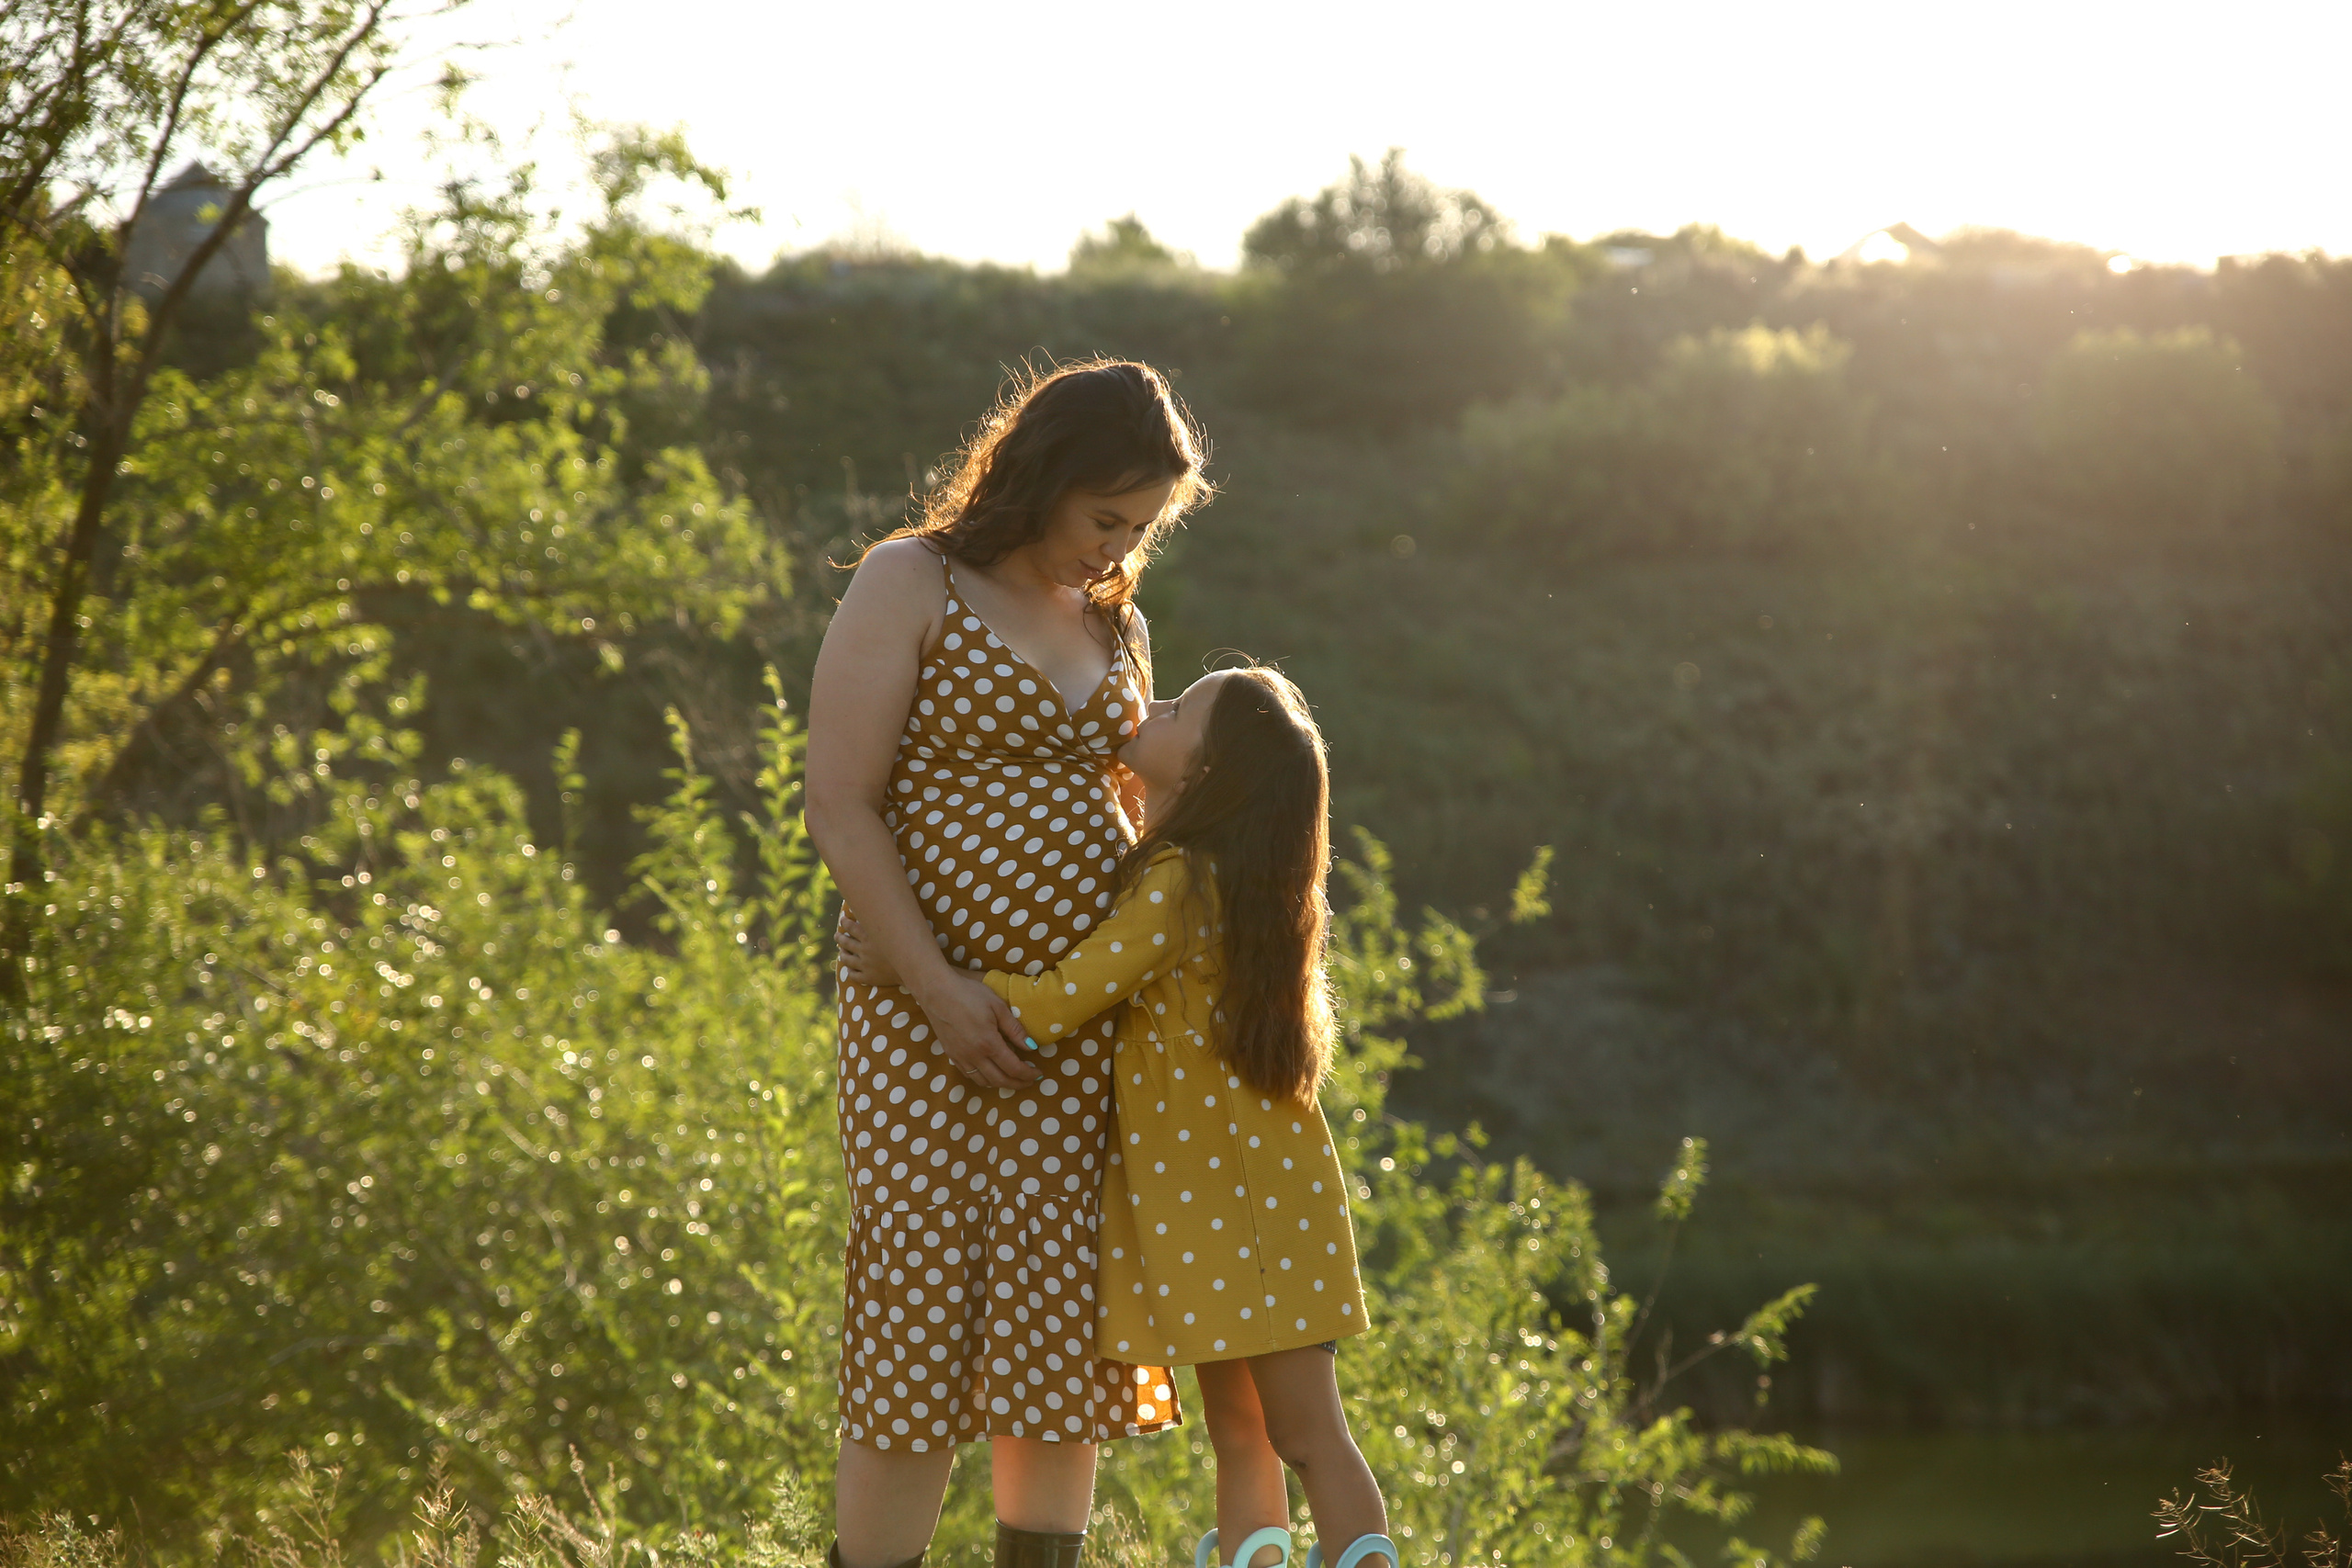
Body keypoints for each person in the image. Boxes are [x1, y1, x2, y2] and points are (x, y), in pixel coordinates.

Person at [842, 666, 1399, 1568]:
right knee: (1247, 1437)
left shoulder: (1180, 882)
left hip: (1237, 1213)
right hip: (1234, 1211)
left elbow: (1067, 997)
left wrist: (918, 973)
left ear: (1209, 771)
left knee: (1303, 1435)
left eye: (1180, 708)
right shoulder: (1221, 880)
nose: (1155, 703)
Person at [805, 360, 1213, 1568]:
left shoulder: (1116, 619)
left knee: (1060, 1324)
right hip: (919, 1019)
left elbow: (1151, 803)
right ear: (1040, 477)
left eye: (1143, 528)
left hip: (1079, 1035)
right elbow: (841, 806)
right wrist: (941, 989)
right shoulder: (911, 579)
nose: (1118, 547)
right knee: (917, 1312)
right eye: (1106, 518)